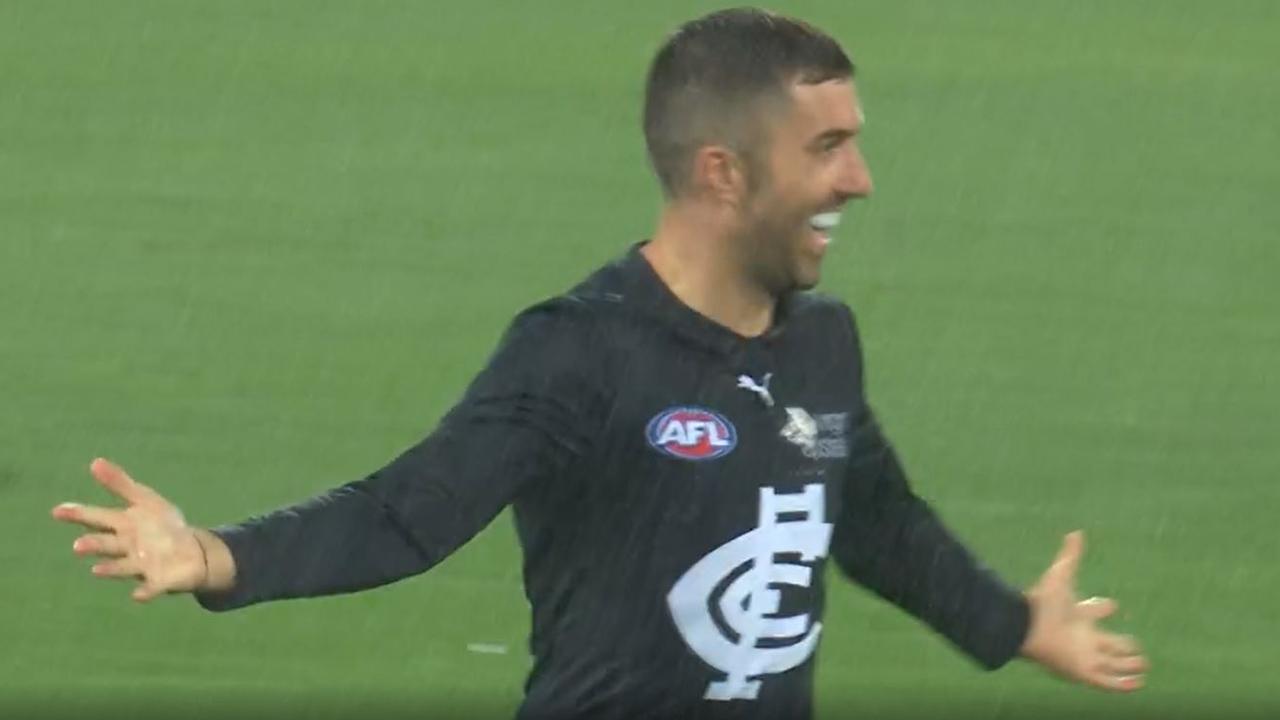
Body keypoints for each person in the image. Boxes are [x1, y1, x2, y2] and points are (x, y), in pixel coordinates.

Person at [51, 8, 1148, 719]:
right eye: (825, 148)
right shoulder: (580, 351)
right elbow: (405, 513)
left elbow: (872, 518)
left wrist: (1016, 627)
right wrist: (211, 554)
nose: (858, 180)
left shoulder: (821, 345)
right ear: (721, 173)